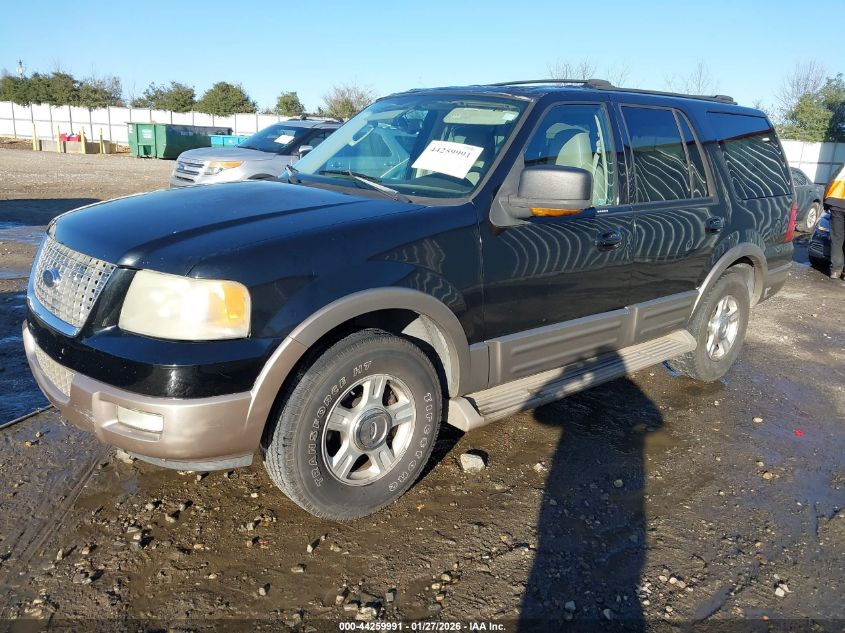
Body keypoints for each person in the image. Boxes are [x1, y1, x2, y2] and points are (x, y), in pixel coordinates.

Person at [823, 164, 845, 285]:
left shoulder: (842, 168)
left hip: (837, 204)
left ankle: (836, 270)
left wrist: (825, 203)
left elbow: (830, 183)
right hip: (837, 204)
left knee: (837, 238)